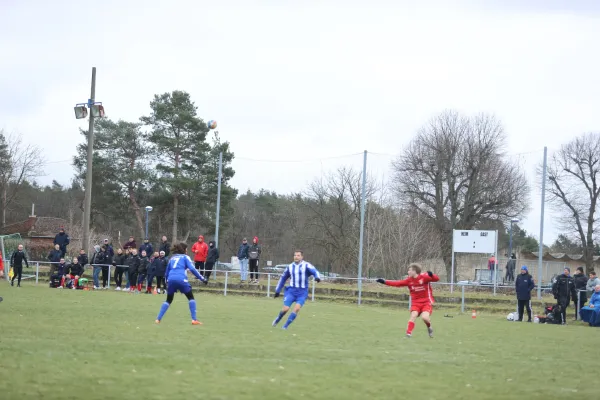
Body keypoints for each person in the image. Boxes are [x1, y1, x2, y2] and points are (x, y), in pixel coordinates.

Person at [376, 264, 440, 338]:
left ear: (414, 271)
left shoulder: (424, 277)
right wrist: (384, 282)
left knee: (425, 318)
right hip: (416, 303)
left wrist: (432, 275)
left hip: (426, 302)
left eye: (409, 270)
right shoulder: (409, 280)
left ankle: (429, 327)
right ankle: (408, 334)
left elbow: (436, 279)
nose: (408, 272)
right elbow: (397, 283)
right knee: (413, 315)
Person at [155, 242, 207, 325]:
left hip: (171, 279)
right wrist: (202, 278)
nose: (187, 250)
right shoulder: (185, 257)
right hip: (181, 279)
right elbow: (192, 269)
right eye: (186, 249)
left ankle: (158, 319)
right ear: (184, 249)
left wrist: (166, 283)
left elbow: (167, 272)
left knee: (168, 300)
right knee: (191, 298)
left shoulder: (172, 258)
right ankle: (194, 320)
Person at [271, 250, 321, 330]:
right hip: (291, 291)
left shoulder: (306, 265)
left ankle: (285, 326)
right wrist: (278, 290)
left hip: (302, 292)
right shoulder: (290, 267)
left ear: (302, 257)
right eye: (295, 255)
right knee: (285, 309)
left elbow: (315, 271)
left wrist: (317, 277)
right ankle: (278, 319)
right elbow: (283, 278)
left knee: (297, 308)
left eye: (298, 255)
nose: (296, 257)